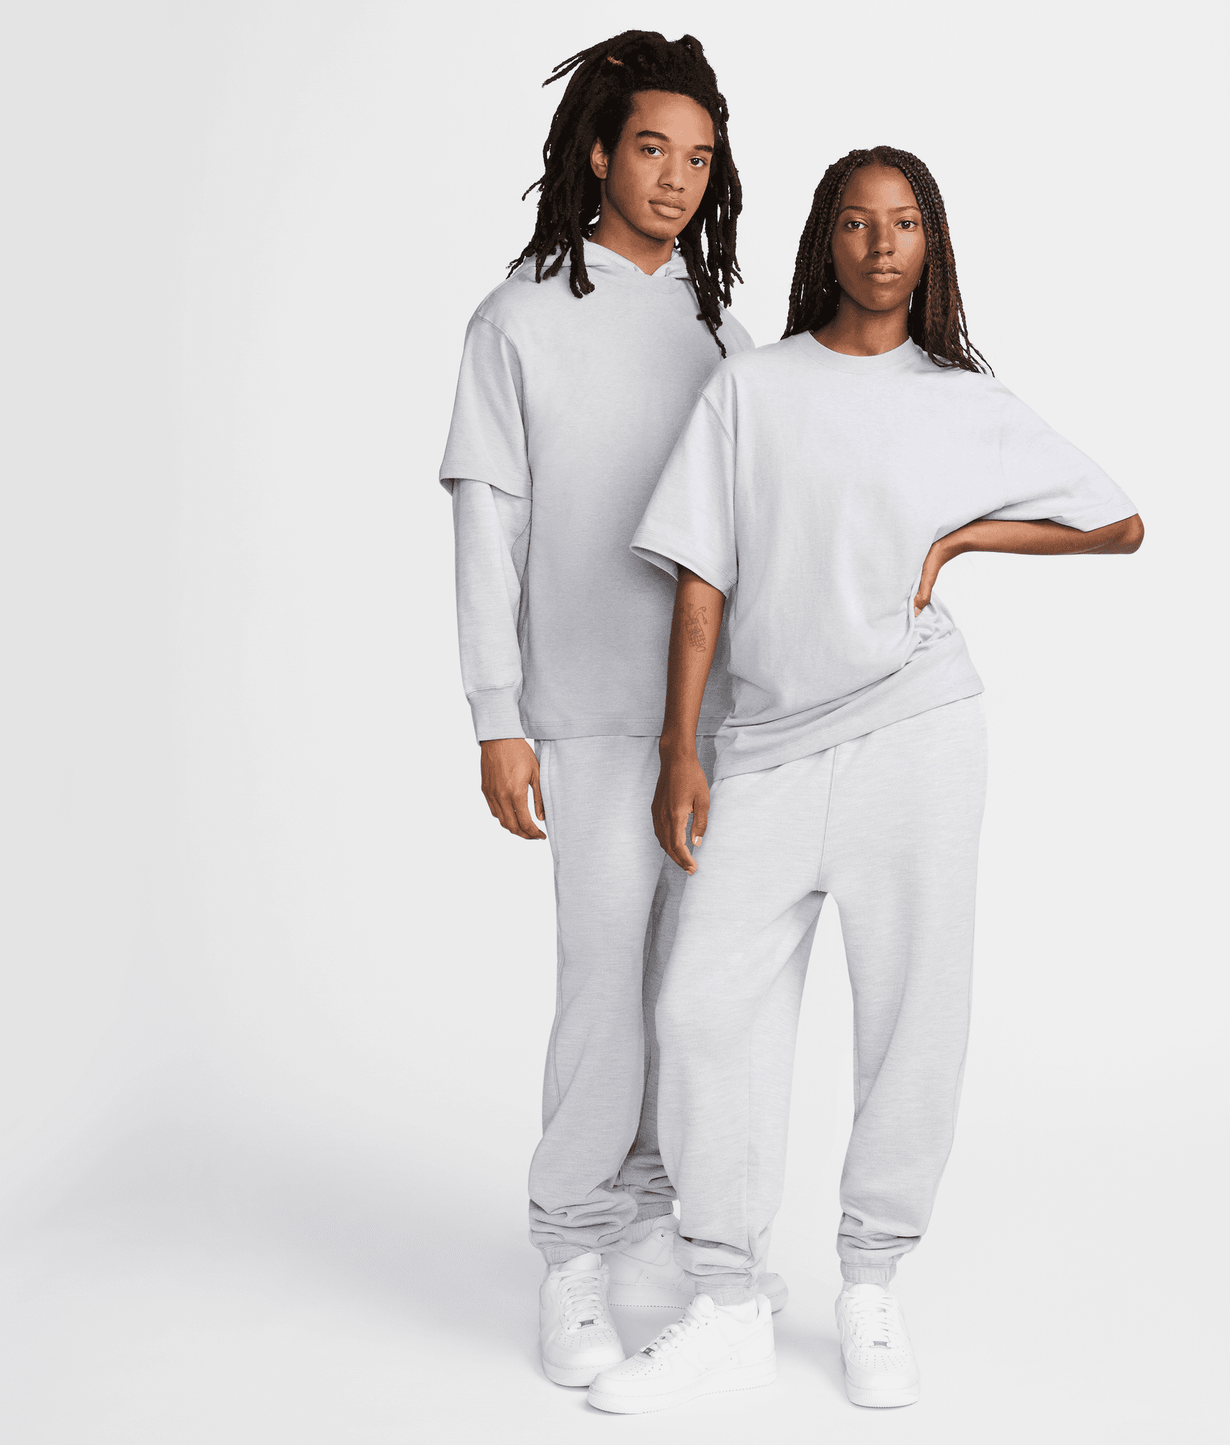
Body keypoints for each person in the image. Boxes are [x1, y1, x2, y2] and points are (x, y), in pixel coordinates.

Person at [585, 146, 1144, 1414]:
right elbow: (700, 576)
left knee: (910, 1012)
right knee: (701, 1007)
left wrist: (962, 536)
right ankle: (728, 1297)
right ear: (823, 242)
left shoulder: (958, 399)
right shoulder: (751, 387)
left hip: (915, 730)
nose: (879, 244)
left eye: (901, 223)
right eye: (854, 221)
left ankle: (871, 1279)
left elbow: (1116, 519)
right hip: (767, 745)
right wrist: (679, 747)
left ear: (927, 242)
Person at [436, 31, 784, 1389]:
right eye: (651, 148)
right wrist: (496, 713)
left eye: (698, 158)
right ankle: (571, 1245)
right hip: (582, 715)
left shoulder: (720, 337)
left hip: (713, 724)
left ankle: (651, 1217)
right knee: (600, 984)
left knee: (689, 991)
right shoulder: (514, 322)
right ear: (596, 151)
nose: (676, 179)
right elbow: (489, 524)